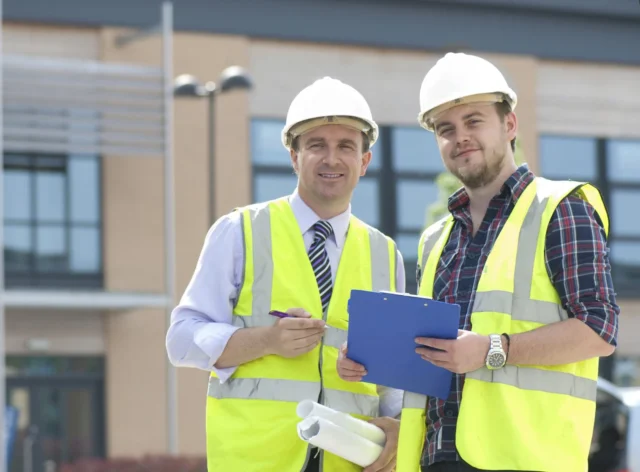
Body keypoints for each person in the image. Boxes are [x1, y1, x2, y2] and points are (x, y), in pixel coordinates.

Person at [337, 52, 620, 472]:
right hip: (437, 459)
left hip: (528, 460)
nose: (460, 137)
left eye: (474, 121)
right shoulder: (437, 239)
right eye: (446, 129)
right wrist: (375, 360)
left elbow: (600, 328)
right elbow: (438, 357)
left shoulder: (560, 208)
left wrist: (492, 349)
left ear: (509, 125)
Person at [166, 76, 406, 472]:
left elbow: (393, 376)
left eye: (346, 146)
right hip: (258, 459)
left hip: (350, 460)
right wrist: (265, 340)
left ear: (364, 161)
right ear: (294, 156)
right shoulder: (239, 231)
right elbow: (180, 340)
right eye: (316, 145)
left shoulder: (385, 253)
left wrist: (398, 430)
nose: (332, 159)